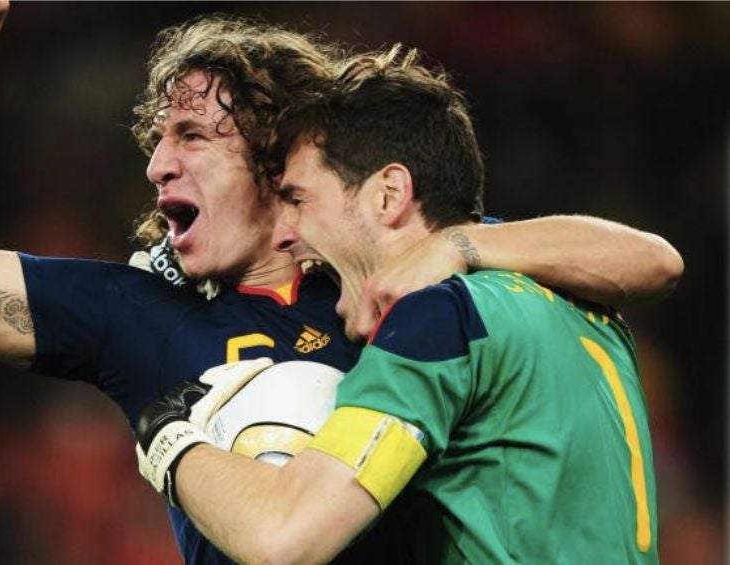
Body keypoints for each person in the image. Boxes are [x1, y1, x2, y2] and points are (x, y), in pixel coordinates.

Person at [0, 1, 680, 563]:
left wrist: (465, 244)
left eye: (191, 134)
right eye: (157, 138)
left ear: (272, 160)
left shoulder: (392, 277)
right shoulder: (138, 312)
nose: (156, 164)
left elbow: (647, 259)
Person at [135, 45, 665, 563]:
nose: (285, 233)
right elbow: (659, 260)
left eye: (297, 199)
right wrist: (455, 245)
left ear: (388, 195)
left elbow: (288, 538)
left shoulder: (437, 319)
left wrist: (169, 436)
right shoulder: (569, 292)